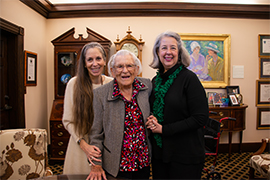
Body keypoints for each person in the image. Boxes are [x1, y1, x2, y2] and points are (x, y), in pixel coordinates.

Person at [146, 31, 209, 179]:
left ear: (179, 52)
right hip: (160, 155)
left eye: (173, 48)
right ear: (157, 52)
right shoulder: (155, 81)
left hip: (185, 155)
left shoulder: (189, 79)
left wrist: (164, 129)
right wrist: (152, 120)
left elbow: (200, 118)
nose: (168, 52)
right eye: (164, 48)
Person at [86, 49, 153, 180]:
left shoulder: (147, 86)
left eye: (129, 66)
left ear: (137, 68)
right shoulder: (100, 94)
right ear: (112, 71)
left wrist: (153, 117)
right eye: (120, 66)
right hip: (116, 165)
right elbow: (95, 134)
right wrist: (96, 164)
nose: (125, 71)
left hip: (143, 161)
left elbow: (154, 109)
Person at [62, 42, 113, 174]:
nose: (94, 64)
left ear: (104, 60)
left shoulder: (111, 83)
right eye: (90, 60)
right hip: (80, 146)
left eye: (98, 58)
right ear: (84, 64)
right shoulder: (73, 84)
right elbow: (68, 121)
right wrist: (84, 145)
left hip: (104, 148)